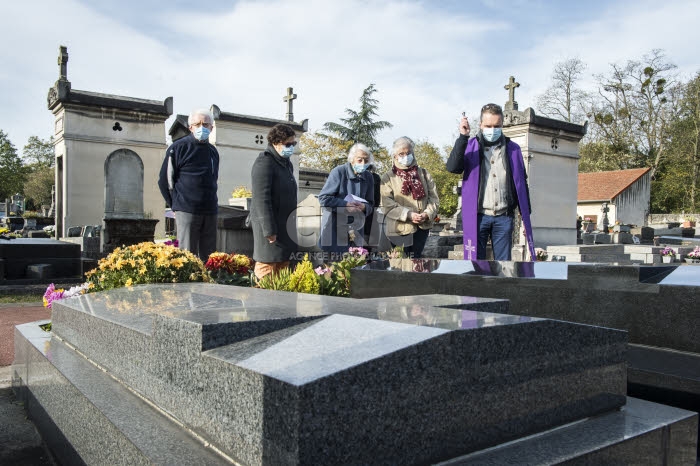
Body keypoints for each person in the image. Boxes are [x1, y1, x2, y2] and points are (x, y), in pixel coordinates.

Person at [446, 103, 534, 261]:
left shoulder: (513, 149)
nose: (492, 130)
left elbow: (521, 183)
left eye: (497, 126)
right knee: (475, 264)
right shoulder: (470, 146)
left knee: (504, 266)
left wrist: (526, 214)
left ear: (502, 125)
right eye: (488, 126)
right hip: (478, 216)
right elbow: (453, 167)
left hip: (503, 217)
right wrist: (462, 137)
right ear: (480, 125)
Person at [158, 109, 219, 261]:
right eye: (197, 124)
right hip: (186, 209)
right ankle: (189, 285)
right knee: (188, 257)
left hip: (210, 210)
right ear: (190, 127)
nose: (202, 127)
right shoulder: (178, 148)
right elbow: (164, 181)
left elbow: (214, 178)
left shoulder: (213, 151)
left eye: (206, 124)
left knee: (210, 258)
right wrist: (176, 205)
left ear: (211, 127)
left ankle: (209, 284)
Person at [250, 124, 298, 279]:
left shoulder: (286, 163)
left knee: (283, 269)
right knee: (267, 268)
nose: (291, 147)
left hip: (285, 227)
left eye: (293, 144)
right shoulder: (265, 162)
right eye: (288, 144)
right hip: (271, 229)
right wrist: (269, 230)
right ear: (276, 143)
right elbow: (261, 198)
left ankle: (279, 303)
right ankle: (263, 302)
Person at [380, 136, 439, 258]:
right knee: (400, 264)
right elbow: (386, 204)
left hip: (422, 227)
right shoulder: (388, 177)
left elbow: (434, 198)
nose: (405, 156)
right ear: (395, 156)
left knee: (417, 261)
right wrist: (408, 215)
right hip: (399, 229)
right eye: (401, 154)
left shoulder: (423, 173)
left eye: (408, 153)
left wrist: (427, 214)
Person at [318, 143, 375, 258]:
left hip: (357, 229)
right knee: (334, 269)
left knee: (354, 267)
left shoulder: (368, 177)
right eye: (360, 160)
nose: (363, 164)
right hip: (334, 228)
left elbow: (371, 203)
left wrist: (364, 207)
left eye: (366, 161)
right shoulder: (338, 172)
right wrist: (345, 205)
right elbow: (324, 198)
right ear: (352, 159)